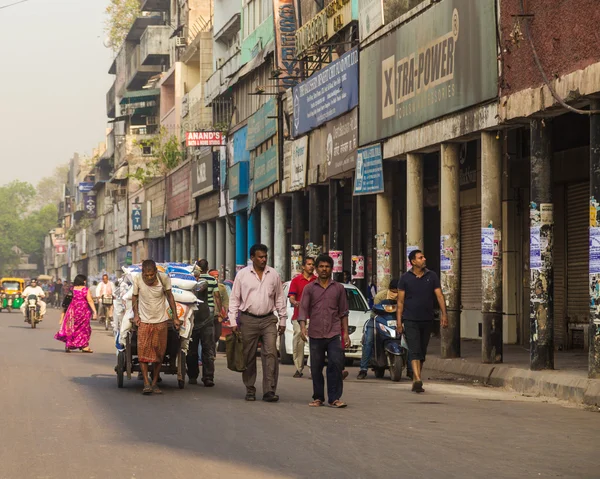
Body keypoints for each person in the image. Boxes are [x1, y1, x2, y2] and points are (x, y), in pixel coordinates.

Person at [229, 244, 287, 402]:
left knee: (271, 354)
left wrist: (282, 319)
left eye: (265, 256)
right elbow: (234, 299)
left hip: (268, 319)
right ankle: (250, 388)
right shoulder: (242, 275)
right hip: (248, 319)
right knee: (248, 355)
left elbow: (280, 298)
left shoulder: (273, 274)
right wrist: (233, 321)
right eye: (260, 257)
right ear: (252, 258)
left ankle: (269, 390)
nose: (263, 259)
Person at [298, 254, 350, 408]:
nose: (324, 269)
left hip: (334, 333)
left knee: (335, 365)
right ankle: (318, 397)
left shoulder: (339, 288)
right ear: (316, 268)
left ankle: (334, 398)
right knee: (316, 367)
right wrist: (302, 327)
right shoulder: (309, 288)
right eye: (321, 266)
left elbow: (344, 312)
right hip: (315, 333)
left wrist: (345, 333)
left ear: (331, 269)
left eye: (327, 266)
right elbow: (303, 309)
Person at [397, 249, 448, 393]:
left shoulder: (432, 276)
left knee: (422, 351)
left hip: (427, 319)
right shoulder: (405, 278)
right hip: (410, 318)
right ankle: (418, 379)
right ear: (413, 261)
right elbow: (400, 302)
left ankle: (416, 377)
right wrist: (399, 322)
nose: (424, 259)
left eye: (423, 257)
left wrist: (444, 314)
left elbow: (439, 296)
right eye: (420, 258)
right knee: (414, 349)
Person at [132, 260, 180, 395]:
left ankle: (154, 383)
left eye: (151, 275)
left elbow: (170, 297)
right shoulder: (137, 279)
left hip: (161, 321)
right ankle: (146, 383)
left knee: (159, 353)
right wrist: (136, 315)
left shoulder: (163, 278)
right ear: (142, 273)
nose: (149, 278)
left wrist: (175, 317)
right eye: (146, 275)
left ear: (156, 272)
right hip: (144, 321)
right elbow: (134, 298)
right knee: (143, 353)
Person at [357, 279, 400, 380]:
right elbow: (375, 311)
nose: (395, 294)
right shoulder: (380, 296)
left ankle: (411, 371)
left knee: (410, 339)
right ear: (389, 289)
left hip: (395, 321)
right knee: (369, 340)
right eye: (393, 291)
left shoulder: (403, 296)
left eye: (397, 291)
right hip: (377, 319)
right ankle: (363, 369)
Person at [186, 270, 216, 387]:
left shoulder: (203, 283)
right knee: (191, 351)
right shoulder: (185, 286)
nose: (195, 278)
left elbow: (199, 288)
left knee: (207, 350)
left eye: (195, 276)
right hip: (192, 323)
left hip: (205, 321)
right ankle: (192, 375)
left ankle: (208, 377)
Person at [288, 257, 316, 378]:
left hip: (314, 316)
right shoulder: (296, 280)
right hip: (299, 316)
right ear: (303, 266)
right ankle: (299, 368)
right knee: (298, 342)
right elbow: (291, 297)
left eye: (313, 264)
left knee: (314, 343)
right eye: (309, 264)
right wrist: (295, 302)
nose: (311, 266)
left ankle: (313, 369)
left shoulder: (317, 280)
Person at [54, 274, 97, 353]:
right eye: (84, 280)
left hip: (72, 311)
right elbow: (90, 301)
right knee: (84, 329)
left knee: (71, 327)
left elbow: (67, 300)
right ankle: (84, 346)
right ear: (82, 281)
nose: (85, 281)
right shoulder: (85, 289)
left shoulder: (72, 289)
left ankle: (68, 344)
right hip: (83, 312)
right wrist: (94, 311)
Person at [209, 269, 229, 346]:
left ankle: (212, 346)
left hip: (218, 315)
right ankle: (211, 352)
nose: (216, 279)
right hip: (209, 315)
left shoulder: (221, 288)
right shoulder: (206, 286)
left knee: (218, 334)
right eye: (214, 277)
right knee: (211, 334)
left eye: (217, 277)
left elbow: (225, 301)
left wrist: (225, 313)